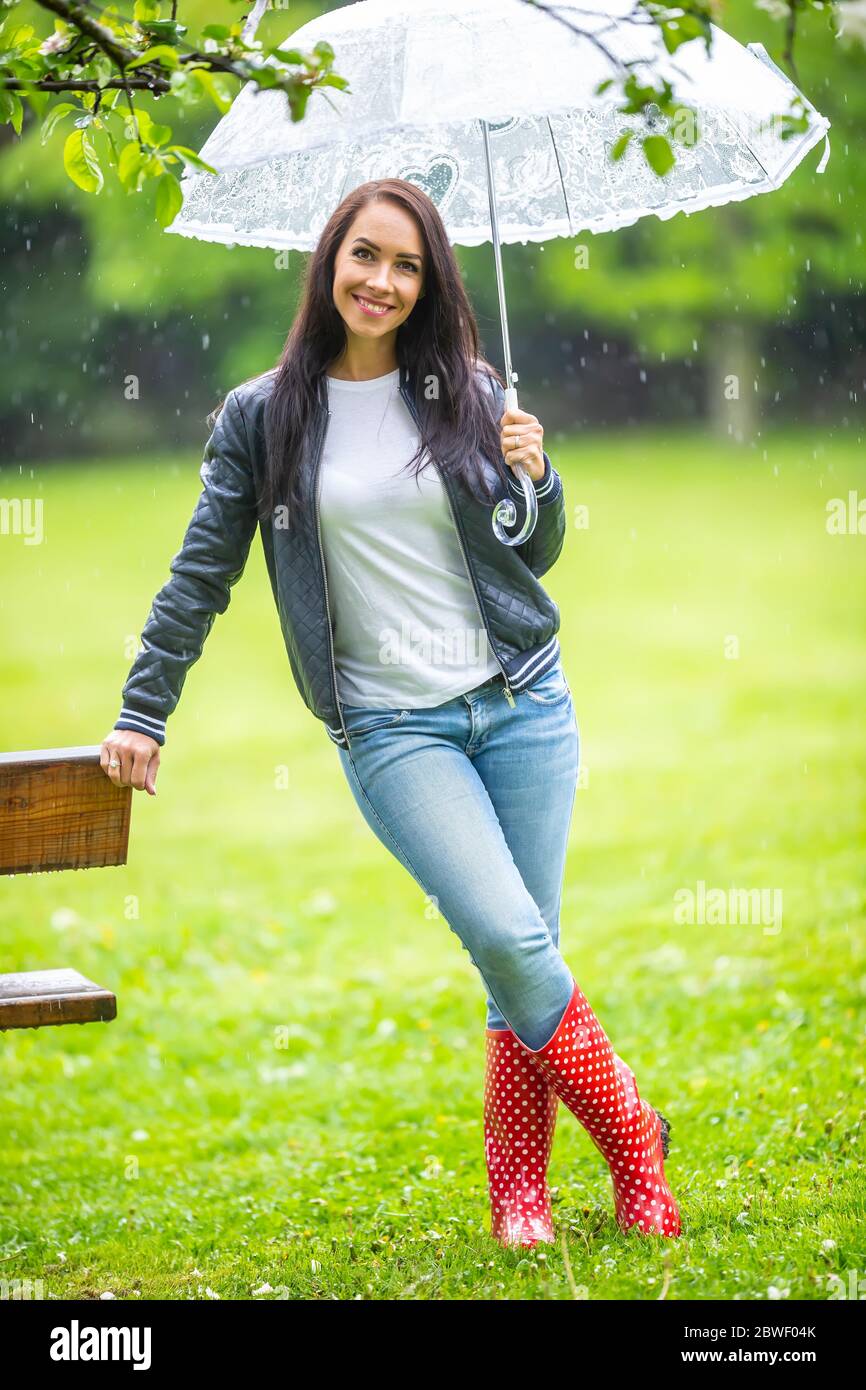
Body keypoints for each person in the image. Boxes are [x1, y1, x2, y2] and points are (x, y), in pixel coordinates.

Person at [100, 178, 681, 1246]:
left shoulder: (464, 386)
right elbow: (199, 574)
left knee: (522, 954)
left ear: (430, 281)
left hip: (521, 701)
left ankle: (519, 1194)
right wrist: (146, 708)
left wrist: (538, 478)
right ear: (330, 262)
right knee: (507, 932)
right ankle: (632, 1135)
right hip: (392, 729)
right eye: (365, 256)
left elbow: (529, 552)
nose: (382, 280)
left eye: (407, 265)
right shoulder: (261, 414)